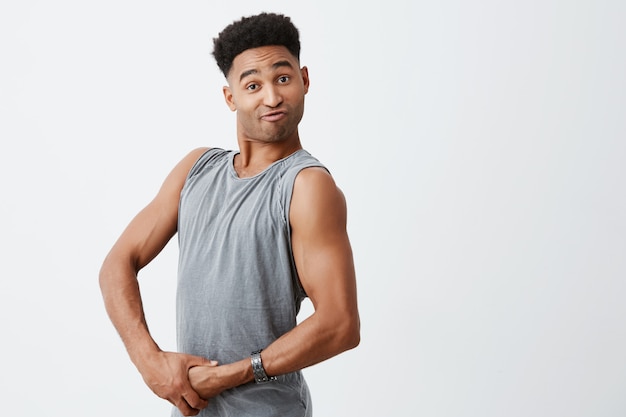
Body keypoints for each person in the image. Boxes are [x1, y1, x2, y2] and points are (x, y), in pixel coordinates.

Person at [99, 12, 360, 417]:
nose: (271, 97)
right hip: (192, 407)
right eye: (253, 84)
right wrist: (150, 362)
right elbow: (118, 263)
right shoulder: (196, 169)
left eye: (283, 78)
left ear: (305, 80)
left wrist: (228, 376)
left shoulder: (306, 186)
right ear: (230, 97)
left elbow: (340, 324)